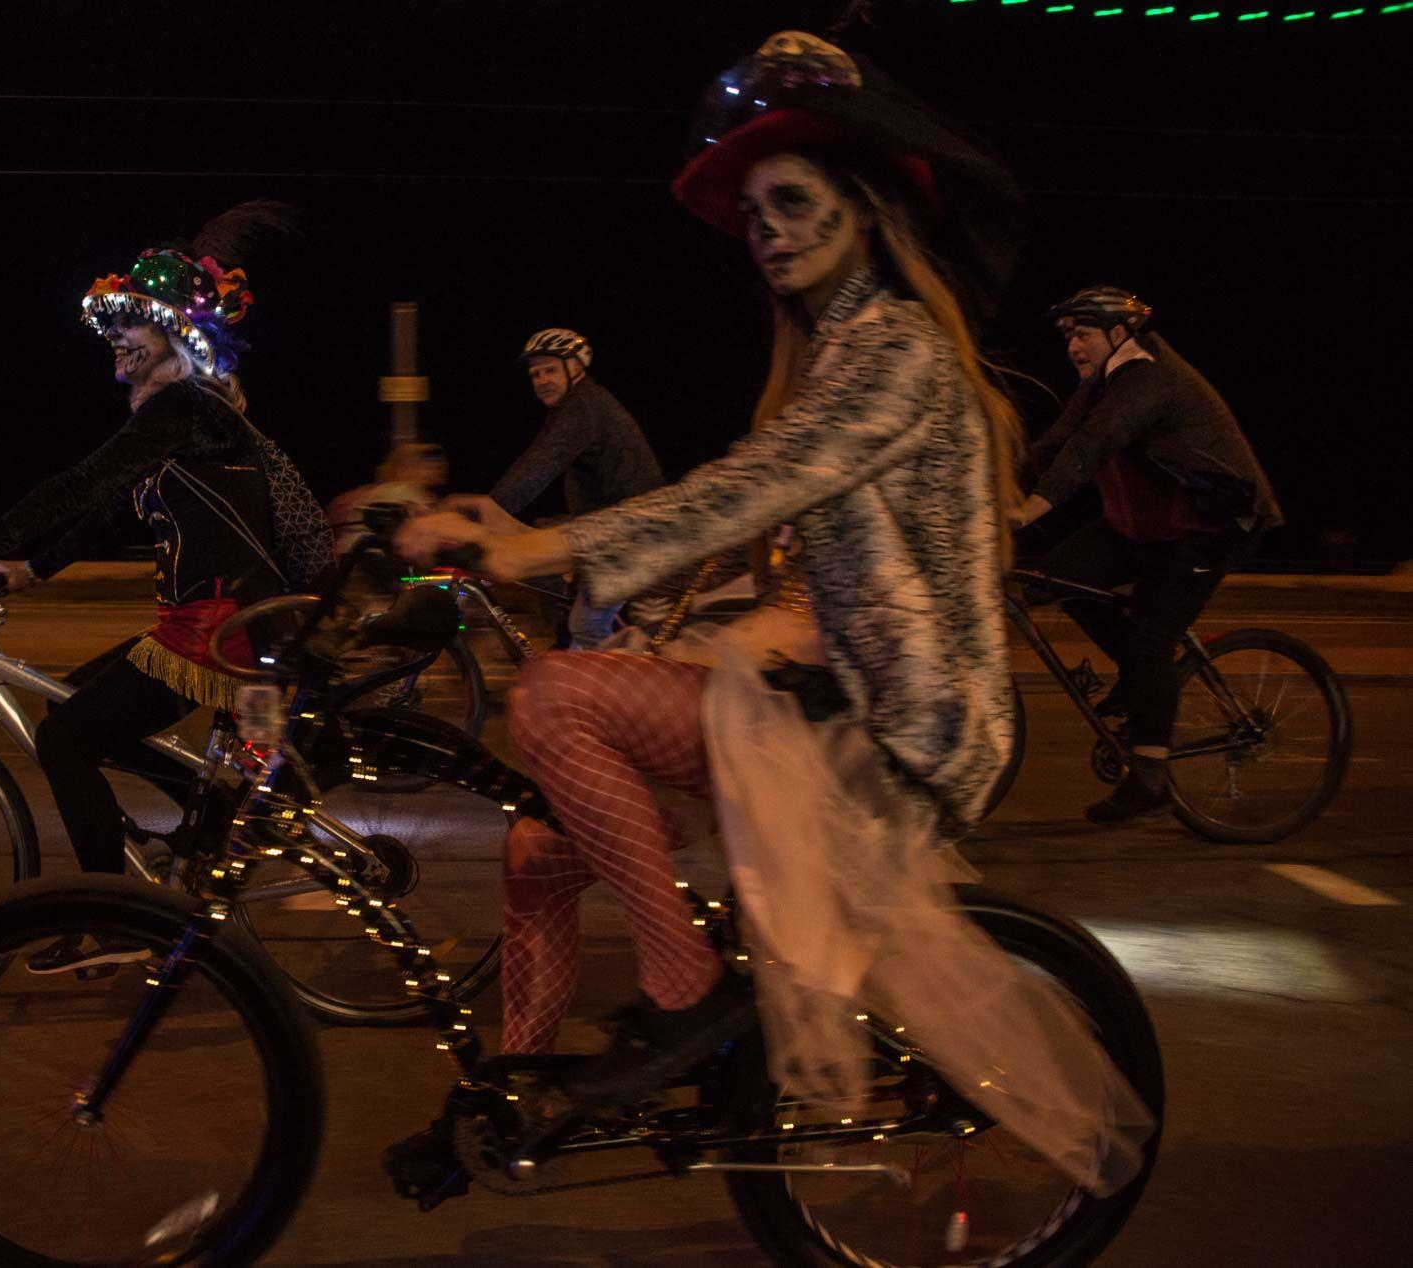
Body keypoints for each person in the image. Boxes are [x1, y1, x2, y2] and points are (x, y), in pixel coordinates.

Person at [395, 30, 1147, 1196]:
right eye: (754, 216)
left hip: (904, 733)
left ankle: (684, 989)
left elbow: (757, 484)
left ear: (866, 207)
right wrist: (645, 610)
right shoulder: (830, 355)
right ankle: (513, 1104)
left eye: (792, 202)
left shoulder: (896, 352)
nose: (771, 230)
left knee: (553, 697)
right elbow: (760, 536)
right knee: (539, 846)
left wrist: (533, 544)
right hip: (825, 702)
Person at [0, 201, 332, 975]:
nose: (114, 336)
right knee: (78, 708)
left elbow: (81, 483)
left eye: (131, 324)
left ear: (178, 334)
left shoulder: (186, 408)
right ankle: (215, 811)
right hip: (208, 620)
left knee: (66, 736)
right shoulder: (182, 417)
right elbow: (109, 509)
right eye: (111, 324)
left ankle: (112, 919)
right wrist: (29, 568)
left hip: (220, 628)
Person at [1016, 286, 1281, 824]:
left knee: (1151, 640)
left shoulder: (1150, 378)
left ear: (1120, 334)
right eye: (1067, 336)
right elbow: (1055, 444)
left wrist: (1027, 512)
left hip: (1208, 526)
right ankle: (1139, 682)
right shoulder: (1100, 384)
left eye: (1083, 333)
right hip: (1147, 522)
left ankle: (1150, 774)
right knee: (1063, 574)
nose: (1072, 346)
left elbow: (1091, 448)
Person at [453, 328, 665, 648]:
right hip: (612, 529)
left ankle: (610, 689)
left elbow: (537, 468)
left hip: (632, 532)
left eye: (550, 370)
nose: (541, 380)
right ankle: (569, 661)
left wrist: (485, 512)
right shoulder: (576, 407)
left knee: (588, 624)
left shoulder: (583, 408)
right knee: (557, 588)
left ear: (576, 367)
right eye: (535, 374)